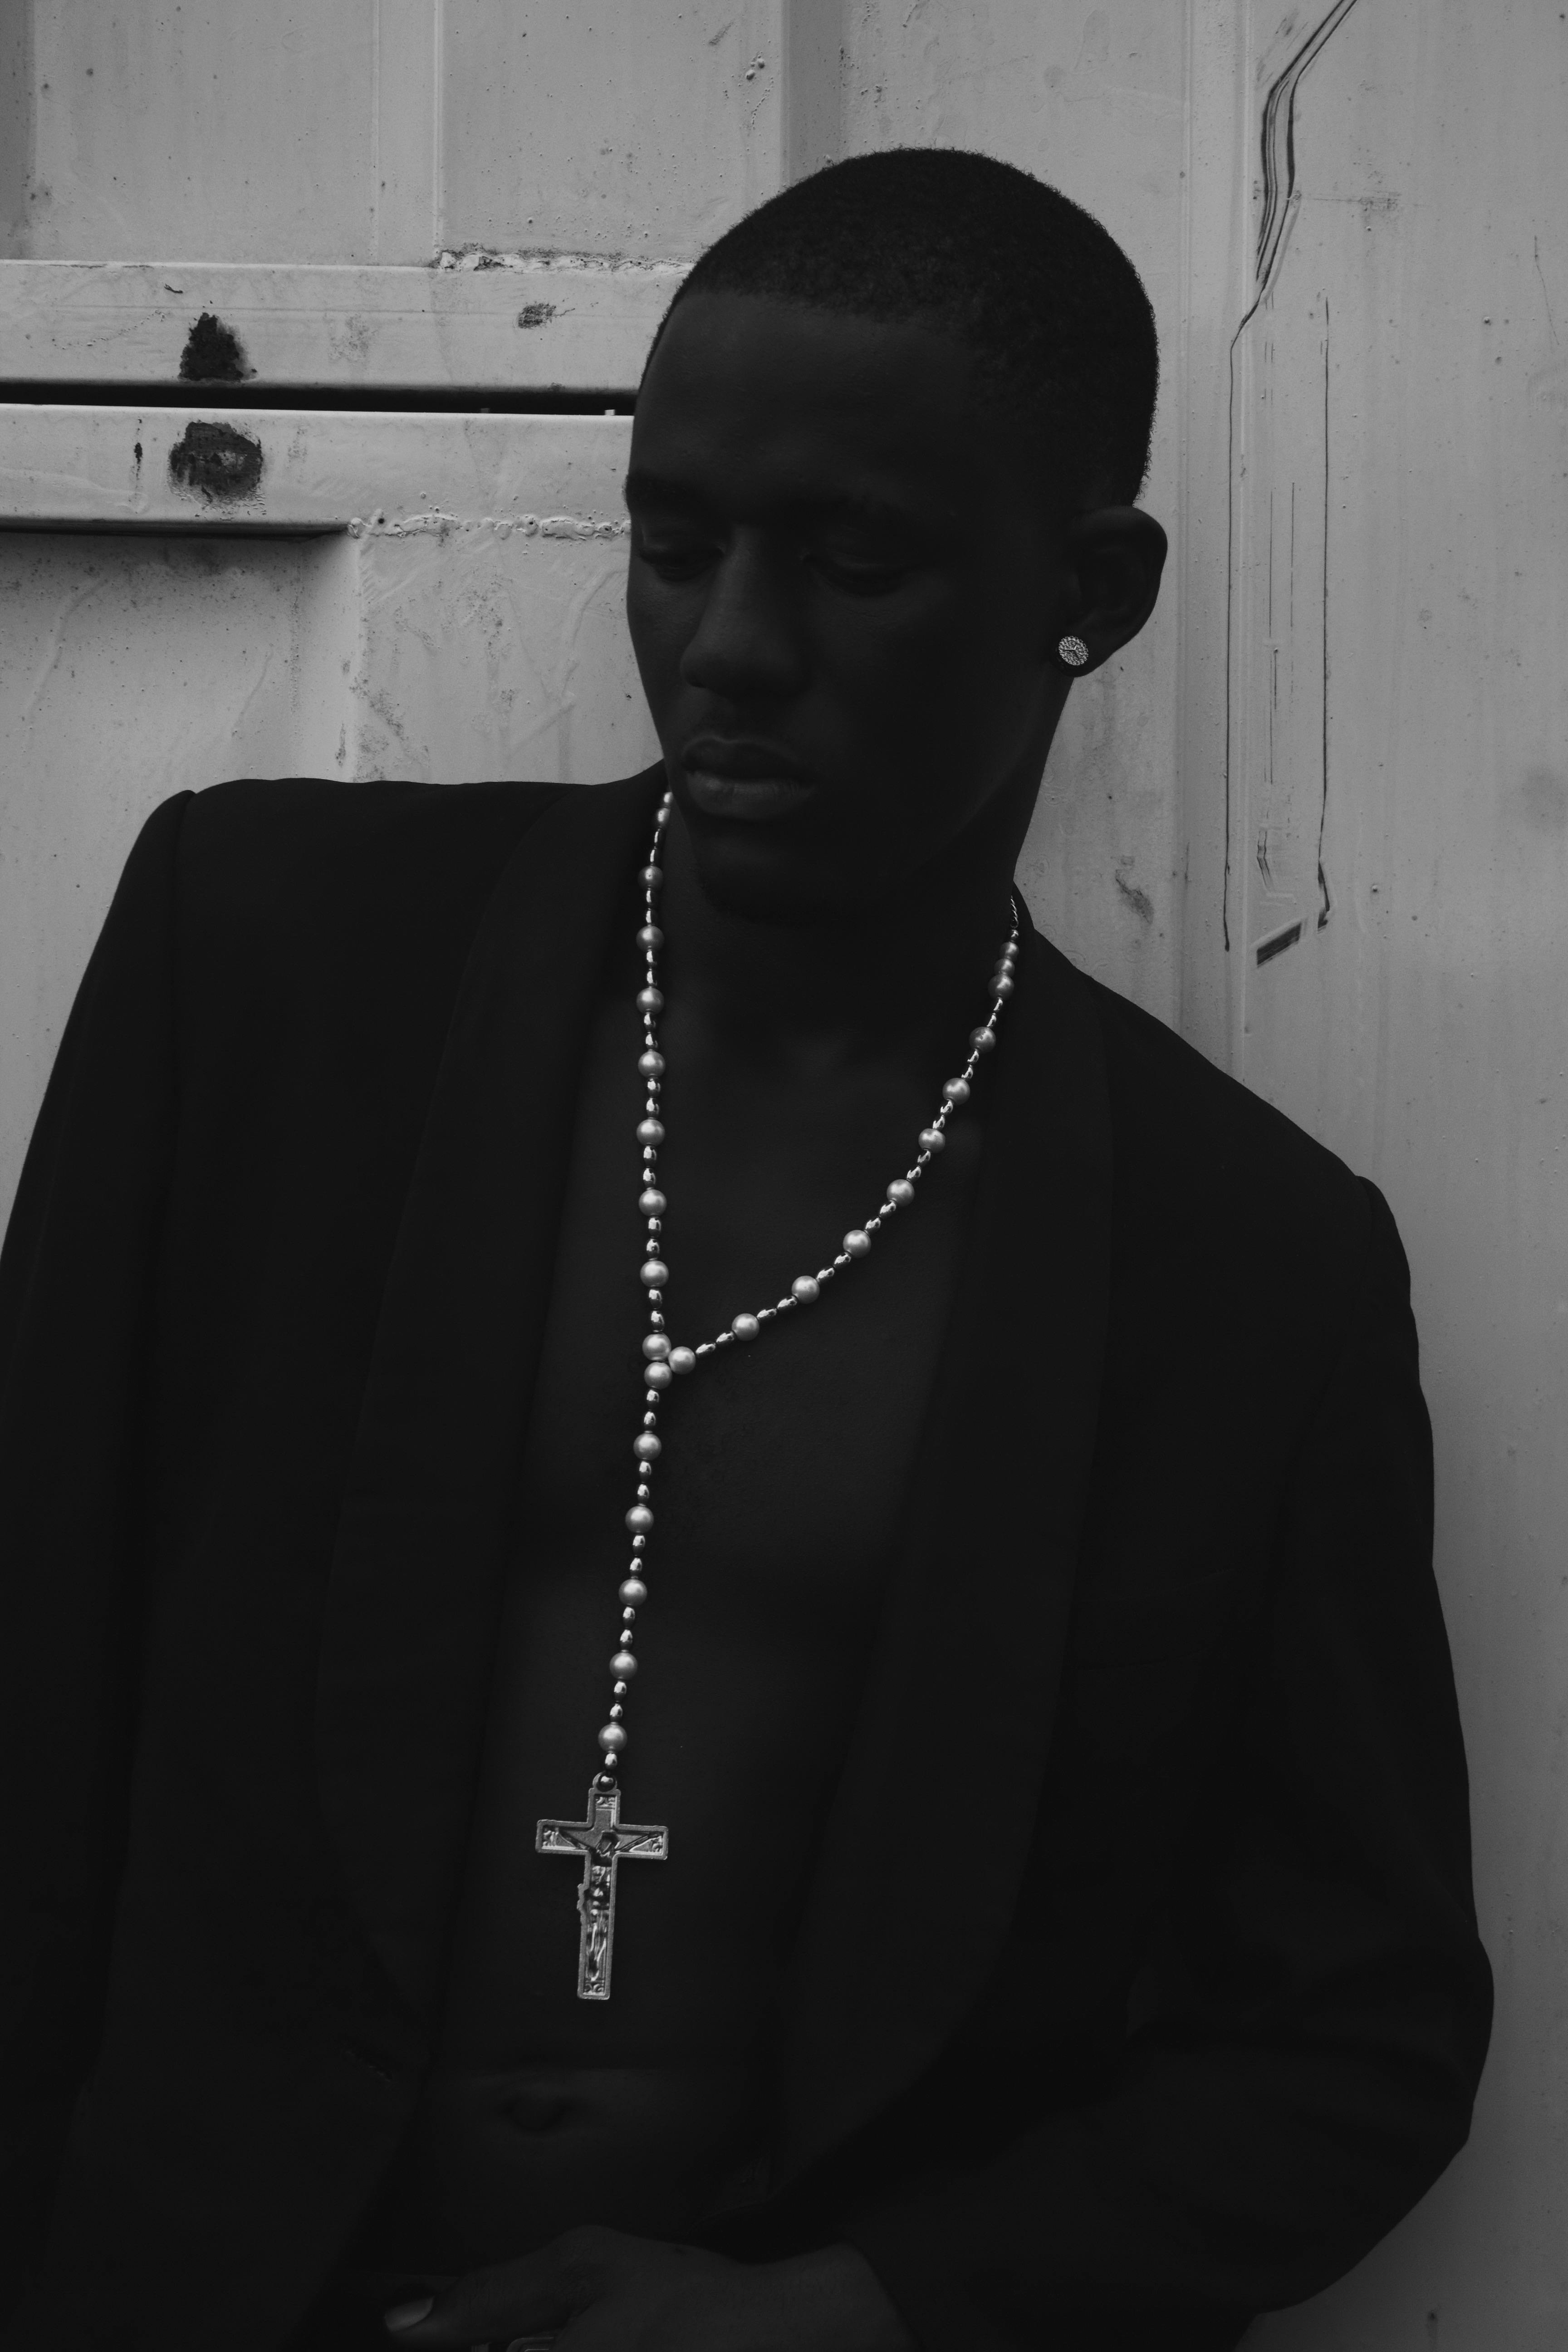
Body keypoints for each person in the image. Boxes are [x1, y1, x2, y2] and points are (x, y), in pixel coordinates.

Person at [0, 149, 1490, 2352]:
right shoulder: (273, 972)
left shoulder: (1244, 1267)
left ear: (1096, 587)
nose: (730, 650)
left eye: (854, 564)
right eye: (673, 547)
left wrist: (859, 2312)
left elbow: (1355, 2035)